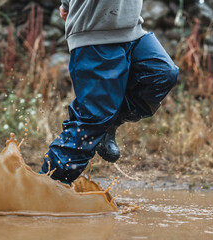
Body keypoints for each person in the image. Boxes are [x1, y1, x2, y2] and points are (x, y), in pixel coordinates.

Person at [40, 0, 178, 184]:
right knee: (93, 120)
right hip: (94, 35)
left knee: (161, 73)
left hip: (132, 29)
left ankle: (108, 124)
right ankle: (45, 187)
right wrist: (66, 4)